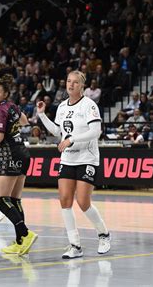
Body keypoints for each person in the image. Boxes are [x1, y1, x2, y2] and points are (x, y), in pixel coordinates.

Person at [37, 70, 110, 259]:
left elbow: (96, 131)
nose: (71, 85)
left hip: (87, 158)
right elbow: (57, 132)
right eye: (69, 81)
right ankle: (75, 245)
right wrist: (42, 115)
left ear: (82, 86)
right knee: (65, 201)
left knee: (83, 202)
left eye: (75, 82)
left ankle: (104, 234)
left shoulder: (89, 105)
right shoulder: (62, 106)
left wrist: (72, 140)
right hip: (68, 158)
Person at [0, 75, 38, 256]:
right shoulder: (11, 106)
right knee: (14, 200)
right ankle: (21, 243)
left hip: (8, 154)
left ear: (5, 94)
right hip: (23, 153)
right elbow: (25, 121)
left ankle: (25, 234)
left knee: (1, 199)